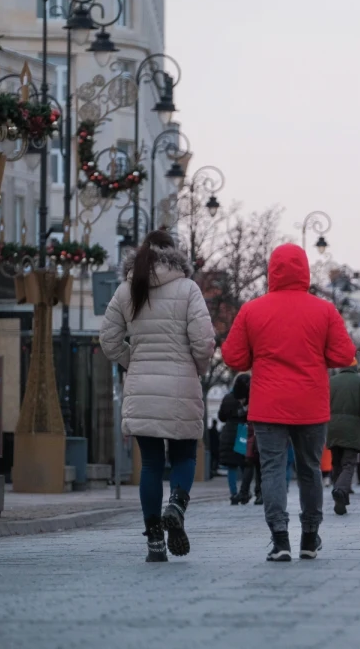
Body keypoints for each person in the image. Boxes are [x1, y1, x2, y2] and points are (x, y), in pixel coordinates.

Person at [221, 244, 356, 562]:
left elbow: (233, 356)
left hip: (268, 405)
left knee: (271, 470)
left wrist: (260, 353)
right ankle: (309, 537)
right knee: (310, 469)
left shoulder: (252, 310)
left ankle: (280, 539)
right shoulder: (323, 310)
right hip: (310, 404)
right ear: (305, 271)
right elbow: (344, 354)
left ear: (272, 271)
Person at [100, 230, 214, 563]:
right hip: (181, 387)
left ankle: (154, 542)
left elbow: (108, 341)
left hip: (142, 390)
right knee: (185, 456)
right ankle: (176, 505)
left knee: (150, 464)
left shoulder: (126, 290)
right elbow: (204, 340)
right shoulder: (188, 289)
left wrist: (132, 361)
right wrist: (198, 367)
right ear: (173, 254)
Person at [327, 359, 360, 515]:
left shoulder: (331, 381)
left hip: (331, 427)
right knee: (348, 463)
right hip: (351, 428)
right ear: (355, 367)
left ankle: (340, 501)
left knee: (336, 463)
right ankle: (340, 489)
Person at [217, 374, 250, 504]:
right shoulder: (247, 398)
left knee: (231, 467)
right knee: (245, 464)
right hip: (242, 433)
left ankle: (234, 493)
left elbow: (221, 417)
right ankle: (244, 492)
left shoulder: (227, 398)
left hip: (228, 433)